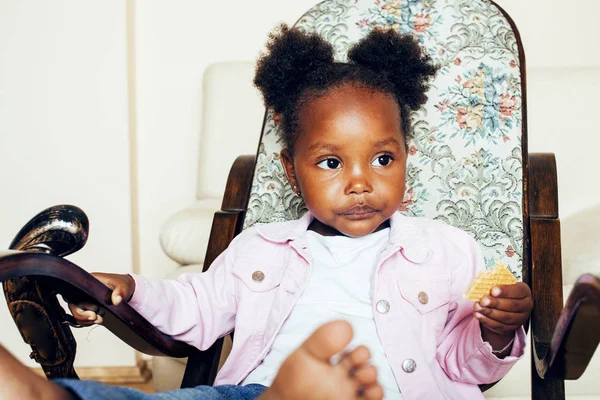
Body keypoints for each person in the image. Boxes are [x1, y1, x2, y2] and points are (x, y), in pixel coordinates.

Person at [7, 25, 533, 399]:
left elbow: (470, 365)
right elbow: (195, 307)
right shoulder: (260, 248)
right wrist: (130, 287)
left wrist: (498, 330)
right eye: (331, 162)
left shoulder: (452, 249)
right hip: (259, 391)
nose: (360, 182)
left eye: (382, 159)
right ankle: (52, 395)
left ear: (406, 157)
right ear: (291, 170)